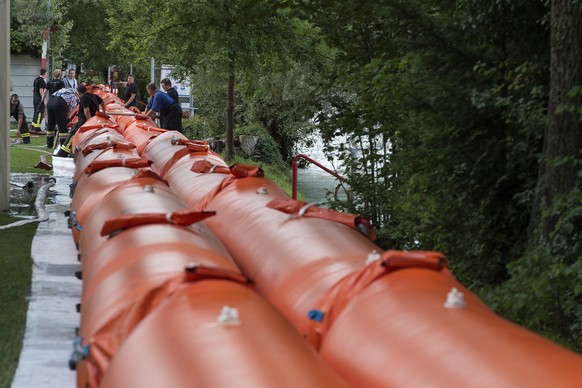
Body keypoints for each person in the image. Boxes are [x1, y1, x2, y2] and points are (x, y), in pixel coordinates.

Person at [55, 84, 106, 157]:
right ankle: (72, 151)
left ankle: (63, 152)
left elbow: (86, 111)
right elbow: (102, 101)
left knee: (72, 133)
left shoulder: (83, 98)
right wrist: (104, 112)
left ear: (79, 93)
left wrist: (89, 122)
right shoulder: (93, 95)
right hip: (95, 119)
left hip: (84, 120)